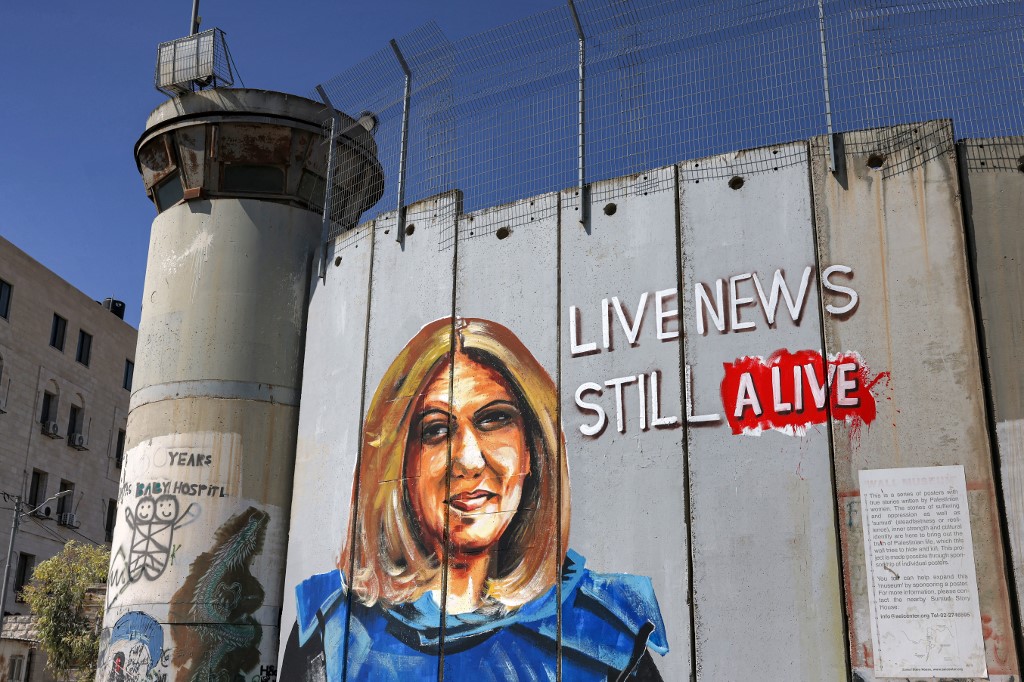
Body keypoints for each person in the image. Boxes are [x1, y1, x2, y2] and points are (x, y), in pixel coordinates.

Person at [284, 318, 667, 681]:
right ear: (398, 463)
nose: (468, 459)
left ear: (532, 447)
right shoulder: (332, 634)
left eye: (494, 419)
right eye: (436, 429)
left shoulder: (605, 637)